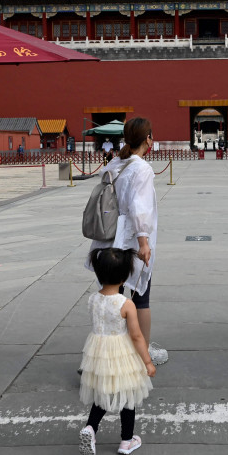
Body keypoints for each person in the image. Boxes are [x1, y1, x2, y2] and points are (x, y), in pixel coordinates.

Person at [87, 117, 167, 366]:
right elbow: (139, 208)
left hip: (106, 240)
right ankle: (143, 352)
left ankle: (105, 353)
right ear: (148, 139)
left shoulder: (114, 163)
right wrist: (144, 244)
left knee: (111, 296)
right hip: (130, 242)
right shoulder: (141, 168)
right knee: (140, 298)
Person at [78, 247, 156, 455]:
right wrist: (147, 362)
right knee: (127, 395)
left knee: (102, 393)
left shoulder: (92, 299)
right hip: (121, 353)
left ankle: (91, 428)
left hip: (98, 352)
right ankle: (126, 440)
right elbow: (137, 336)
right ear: (124, 277)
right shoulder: (126, 304)